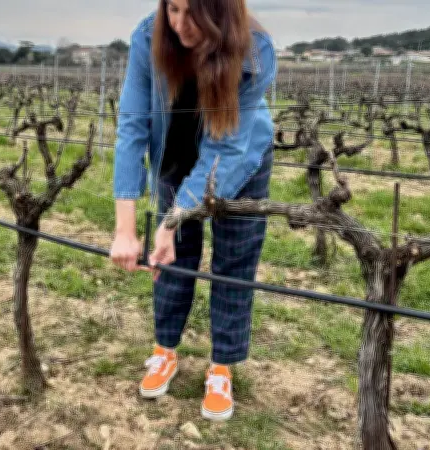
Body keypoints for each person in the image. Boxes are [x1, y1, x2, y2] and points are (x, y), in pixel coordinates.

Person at [109, 0, 277, 422]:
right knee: (171, 259)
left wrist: (174, 217)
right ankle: (164, 349)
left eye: (193, 13)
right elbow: (131, 126)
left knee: (234, 261)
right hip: (175, 155)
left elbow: (225, 148)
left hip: (240, 159)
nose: (181, 25)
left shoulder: (255, 50)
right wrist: (126, 229)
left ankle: (222, 367)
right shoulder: (149, 36)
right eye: (174, 9)